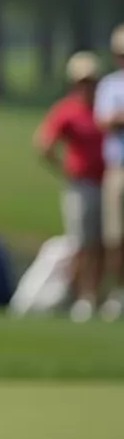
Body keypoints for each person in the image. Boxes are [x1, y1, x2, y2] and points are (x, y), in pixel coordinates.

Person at [35, 52, 110, 322]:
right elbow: (43, 145)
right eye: (83, 81)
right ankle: (81, 297)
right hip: (81, 185)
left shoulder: (106, 106)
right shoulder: (67, 109)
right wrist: (66, 169)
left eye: (91, 81)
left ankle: (97, 296)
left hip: (108, 183)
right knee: (82, 244)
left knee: (106, 245)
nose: (87, 86)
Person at [94, 24, 124, 317]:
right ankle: (118, 292)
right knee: (115, 237)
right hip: (118, 169)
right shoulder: (110, 85)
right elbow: (105, 121)